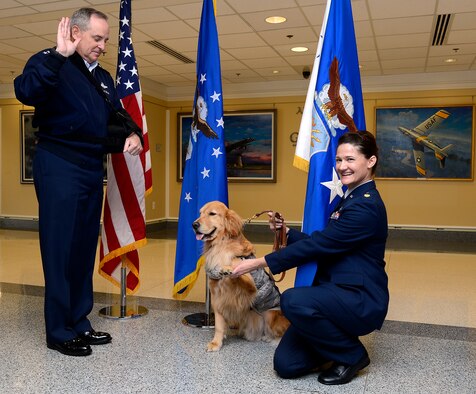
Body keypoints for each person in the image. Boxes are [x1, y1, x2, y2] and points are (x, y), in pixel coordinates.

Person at [14, 8, 143, 356]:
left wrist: (131, 133)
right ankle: (58, 330)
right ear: (75, 32)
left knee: (84, 247)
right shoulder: (48, 61)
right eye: (97, 38)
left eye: (105, 40)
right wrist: (59, 56)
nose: (103, 46)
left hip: (90, 168)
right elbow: (25, 91)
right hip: (58, 164)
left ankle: (78, 321)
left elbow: (113, 118)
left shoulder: (102, 78)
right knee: (60, 249)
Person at [232, 131, 389, 385]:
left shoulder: (366, 206)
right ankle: (335, 341)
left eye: (350, 159)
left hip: (360, 299)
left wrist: (260, 262)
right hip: (335, 293)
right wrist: (287, 232)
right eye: (338, 160)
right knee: (286, 364)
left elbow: (321, 244)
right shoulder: (351, 198)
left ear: (370, 161)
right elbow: (326, 243)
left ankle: (352, 355)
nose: (342, 167)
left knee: (292, 299)